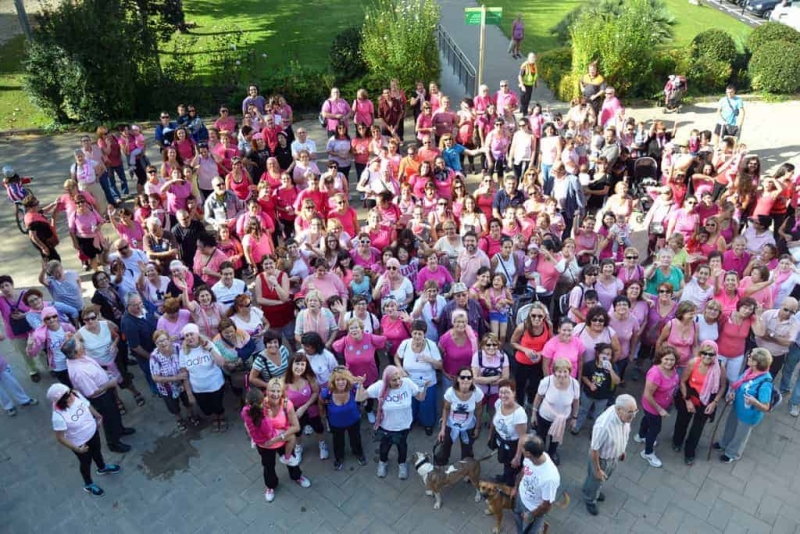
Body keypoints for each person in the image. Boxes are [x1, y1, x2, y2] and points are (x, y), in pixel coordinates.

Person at [48, 383, 122, 497]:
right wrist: (77, 449)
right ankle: (88, 484)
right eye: (67, 395)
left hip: (93, 432)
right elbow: (60, 437)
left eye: (70, 392)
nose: (71, 395)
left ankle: (102, 468)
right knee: (85, 463)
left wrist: (98, 416)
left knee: (97, 451)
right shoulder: (58, 416)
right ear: (61, 401)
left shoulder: (75, 394)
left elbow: (87, 405)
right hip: (80, 443)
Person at [242, 378, 309, 503]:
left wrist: (277, 438)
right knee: (268, 466)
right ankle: (270, 486)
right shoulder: (258, 404)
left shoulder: (286, 404)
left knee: (291, 460)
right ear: (266, 391)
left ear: (283, 392)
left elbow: (296, 427)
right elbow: (248, 421)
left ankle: (297, 477)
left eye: (278, 391)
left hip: (283, 440)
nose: (275, 394)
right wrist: (252, 436)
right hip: (264, 444)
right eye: (272, 390)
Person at [356, 365, 427, 479]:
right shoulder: (380, 386)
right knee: (384, 447)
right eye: (394, 380)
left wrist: (424, 388)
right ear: (387, 379)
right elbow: (359, 398)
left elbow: (420, 398)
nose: (398, 382)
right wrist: (360, 384)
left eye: (399, 378)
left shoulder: (407, 383)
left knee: (402, 446)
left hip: (404, 425)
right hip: (386, 427)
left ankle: (402, 464)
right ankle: (382, 463)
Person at [671, 340, 727, 465]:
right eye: (704, 353)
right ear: (700, 353)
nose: (707, 356)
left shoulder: (720, 366)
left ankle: (690, 452)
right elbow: (683, 382)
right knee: (682, 421)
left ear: (716, 354)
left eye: (711, 354)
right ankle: (677, 441)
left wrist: (714, 403)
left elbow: (723, 386)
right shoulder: (693, 363)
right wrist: (687, 401)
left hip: (707, 401)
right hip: (689, 397)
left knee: (697, 428)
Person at [582, 394, 637, 516]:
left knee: (599, 480)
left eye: (635, 411)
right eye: (630, 412)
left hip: (613, 456)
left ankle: (592, 489)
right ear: (619, 410)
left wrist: (622, 451)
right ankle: (590, 499)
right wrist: (597, 469)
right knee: (595, 478)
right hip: (601, 459)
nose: (633, 415)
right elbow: (594, 449)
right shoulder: (604, 425)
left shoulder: (624, 417)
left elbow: (624, 433)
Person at [716, 348, 774, 463]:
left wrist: (754, 402)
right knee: (730, 426)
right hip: (738, 407)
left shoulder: (765, 382)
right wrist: (732, 393)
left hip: (749, 414)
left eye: (751, 357)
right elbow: (740, 384)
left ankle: (732, 453)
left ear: (756, 363)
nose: (748, 357)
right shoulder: (750, 371)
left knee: (740, 434)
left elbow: (766, 407)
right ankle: (724, 443)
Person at [334, 318, 387, 424]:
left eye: (356, 327)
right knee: (354, 396)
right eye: (351, 328)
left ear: (362, 328)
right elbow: (335, 347)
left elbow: (383, 340)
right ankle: (357, 410)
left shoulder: (370, 338)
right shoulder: (345, 340)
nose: (354, 330)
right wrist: (345, 339)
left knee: (369, 394)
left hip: (370, 375)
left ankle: (369, 410)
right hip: (352, 377)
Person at [394, 320, 442, 435]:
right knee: (410, 405)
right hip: (409, 383)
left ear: (424, 334)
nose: (417, 336)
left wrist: (429, 359)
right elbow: (396, 357)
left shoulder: (431, 345)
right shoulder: (405, 344)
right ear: (411, 333)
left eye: (420, 333)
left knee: (427, 406)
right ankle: (410, 421)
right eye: (415, 333)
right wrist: (400, 368)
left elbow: (440, 365)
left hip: (427, 383)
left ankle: (428, 424)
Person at [635, 346, 680, 468]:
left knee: (647, 420)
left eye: (672, 360)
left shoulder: (673, 369)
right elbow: (647, 394)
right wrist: (659, 409)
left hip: (664, 404)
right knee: (655, 429)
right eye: (666, 359)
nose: (669, 362)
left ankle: (641, 435)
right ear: (660, 358)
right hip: (653, 407)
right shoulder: (655, 374)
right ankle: (648, 453)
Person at [179, 323, 228, 432]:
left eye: (191, 334)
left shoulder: (208, 344)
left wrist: (210, 349)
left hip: (215, 384)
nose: (189, 337)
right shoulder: (183, 352)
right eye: (186, 336)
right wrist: (189, 393)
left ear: (197, 335)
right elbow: (184, 374)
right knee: (207, 410)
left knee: (218, 406)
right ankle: (214, 417)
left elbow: (221, 363)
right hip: (198, 388)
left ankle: (221, 417)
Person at [531, 358, 580, 466]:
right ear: (554, 371)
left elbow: (576, 402)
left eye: (565, 371)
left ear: (569, 371)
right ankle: (541, 453)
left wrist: (574, 418)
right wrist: (534, 413)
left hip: (562, 420)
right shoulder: (546, 382)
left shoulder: (574, 384)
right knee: (541, 436)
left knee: (555, 438)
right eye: (559, 371)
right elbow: (538, 397)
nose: (562, 374)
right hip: (545, 417)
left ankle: (552, 453)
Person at [319, 366, 367, 471]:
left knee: (356, 439)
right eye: (338, 380)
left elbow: (363, 399)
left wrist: (361, 385)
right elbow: (321, 403)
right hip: (335, 424)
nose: (341, 382)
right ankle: (339, 458)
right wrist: (322, 414)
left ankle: (358, 453)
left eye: (343, 379)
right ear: (333, 381)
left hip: (353, 421)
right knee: (337, 442)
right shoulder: (327, 392)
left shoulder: (354, 388)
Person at [283, 353, 328, 462]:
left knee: (318, 428)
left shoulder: (309, 377)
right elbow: (283, 398)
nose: (299, 367)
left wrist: (304, 406)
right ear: (291, 365)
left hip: (311, 409)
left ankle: (322, 444)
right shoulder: (285, 380)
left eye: (303, 365)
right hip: (295, 413)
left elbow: (316, 392)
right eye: (297, 364)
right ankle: (298, 448)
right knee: (297, 432)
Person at [435, 365, 483, 465]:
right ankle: (440, 468)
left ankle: (467, 470)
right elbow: (446, 409)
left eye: (469, 377)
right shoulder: (450, 392)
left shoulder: (477, 393)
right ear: (457, 378)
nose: (466, 380)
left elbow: (479, 410)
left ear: (472, 379)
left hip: (468, 424)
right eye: (462, 377)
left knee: (467, 450)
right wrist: (443, 429)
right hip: (451, 424)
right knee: (444, 448)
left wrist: (477, 427)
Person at [150, 329, 197, 430]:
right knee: (173, 407)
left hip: (183, 384)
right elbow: (155, 377)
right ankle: (179, 419)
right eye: (159, 342)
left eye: (165, 340)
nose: (163, 343)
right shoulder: (154, 357)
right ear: (156, 344)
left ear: (169, 339)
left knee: (187, 402)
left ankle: (190, 415)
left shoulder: (178, 348)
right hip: (167, 388)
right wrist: (175, 377)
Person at [512, 435, 561, 534]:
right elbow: (523, 471)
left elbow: (546, 505)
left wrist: (531, 515)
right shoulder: (530, 459)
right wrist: (516, 488)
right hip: (520, 498)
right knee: (518, 521)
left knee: (529, 531)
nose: (520, 448)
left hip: (532, 508)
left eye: (522, 447)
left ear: (528, 453)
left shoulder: (550, 478)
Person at [574, 343, 619, 434]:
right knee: (583, 410)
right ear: (598, 354)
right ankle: (577, 425)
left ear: (611, 356)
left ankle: (595, 431)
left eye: (608, 354)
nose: (605, 356)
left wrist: (611, 370)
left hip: (603, 397)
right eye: (603, 353)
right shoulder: (590, 365)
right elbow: (584, 376)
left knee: (598, 414)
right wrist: (590, 384)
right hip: (588, 394)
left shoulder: (613, 367)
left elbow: (617, 381)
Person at [489, 379, 527, 486]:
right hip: (502, 441)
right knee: (505, 463)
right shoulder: (498, 403)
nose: (503, 395)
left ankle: (510, 488)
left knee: (513, 469)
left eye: (507, 392)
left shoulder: (519, 414)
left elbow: (522, 437)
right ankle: (505, 476)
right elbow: (494, 419)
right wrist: (490, 435)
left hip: (514, 446)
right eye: (501, 392)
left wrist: (518, 456)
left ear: (514, 393)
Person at [517, 52, 538, 117]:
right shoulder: (525, 66)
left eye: (534, 57)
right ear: (528, 58)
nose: (533, 59)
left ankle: (522, 110)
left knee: (528, 99)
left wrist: (536, 82)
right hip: (524, 85)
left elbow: (535, 74)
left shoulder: (534, 65)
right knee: (524, 100)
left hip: (530, 85)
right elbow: (520, 76)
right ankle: (524, 113)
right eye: (531, 57)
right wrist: (522, 85)